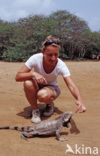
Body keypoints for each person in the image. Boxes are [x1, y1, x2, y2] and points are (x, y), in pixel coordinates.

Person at [15, 35, 86, 123]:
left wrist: (79, 100)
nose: (53, 58)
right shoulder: (35, 58)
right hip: (37, 85)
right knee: (28, 83)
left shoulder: (61, 65)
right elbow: (18, 77)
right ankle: (35, 110)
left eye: (56, 54)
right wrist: (33, 73)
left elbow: (71, 84)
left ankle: (49, 104)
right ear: (43, 52)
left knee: (42, 95)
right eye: (50, 55)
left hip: (52, 89)